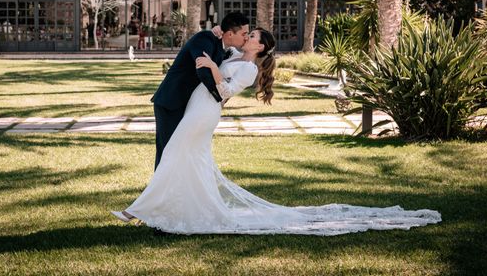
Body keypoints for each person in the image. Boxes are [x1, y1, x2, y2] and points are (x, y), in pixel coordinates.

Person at [112, 28, 442, 236]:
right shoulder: (232, 54)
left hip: (204, 113)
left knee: (174, 154)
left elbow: (225, 92)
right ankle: (184, 209)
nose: (247, 37)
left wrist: (213, 69)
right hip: (194, 108)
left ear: (262, 47)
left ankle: (138, 210)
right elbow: (217, 45)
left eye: (253, 36)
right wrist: (216, 40)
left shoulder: (249, 68)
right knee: (189, 160)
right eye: (247, 33)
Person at [150, 12, 250, 169]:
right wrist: (219, 97)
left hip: (190, 106)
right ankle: (158, 192)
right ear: (230, 33)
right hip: (171, 101)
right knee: (167, 151)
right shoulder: (205, 38)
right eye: (244, 33)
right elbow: (202, 70)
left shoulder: (225, 48)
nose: (246, 37)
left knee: (183, 151)